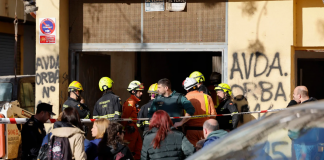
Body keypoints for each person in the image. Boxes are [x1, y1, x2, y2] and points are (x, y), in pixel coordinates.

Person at [183, 77, 217, 146]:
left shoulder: (184, 99)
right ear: (196, 86)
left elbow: (182, 117)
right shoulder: (207, 97)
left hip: (190, 131)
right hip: (205, 130)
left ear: (187, 89)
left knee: (194, 154)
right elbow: (213, 115)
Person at [121, 80, 144, 160]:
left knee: (139, 149)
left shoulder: (134, 102)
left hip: (135, 130)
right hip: (129, 131)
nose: (141, 93)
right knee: (130, 151)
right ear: (133, 91)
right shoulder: (130, 102)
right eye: (139, 91)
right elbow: (124, 117)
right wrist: (123, 131)